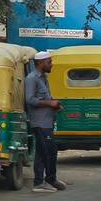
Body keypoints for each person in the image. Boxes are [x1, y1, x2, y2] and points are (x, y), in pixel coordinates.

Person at [24, 50, 66, 193]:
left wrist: (55, 104)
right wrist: (49, 104)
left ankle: (48, 179)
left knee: (44, 151)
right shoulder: (32, 78)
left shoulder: (43, 78)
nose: (51, 64)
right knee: (48, 151)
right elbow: (29, 99)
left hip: (47, 121)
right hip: (39, 122)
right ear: (40, 63)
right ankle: (43, 181)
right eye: (49, 62)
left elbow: (44, 97)